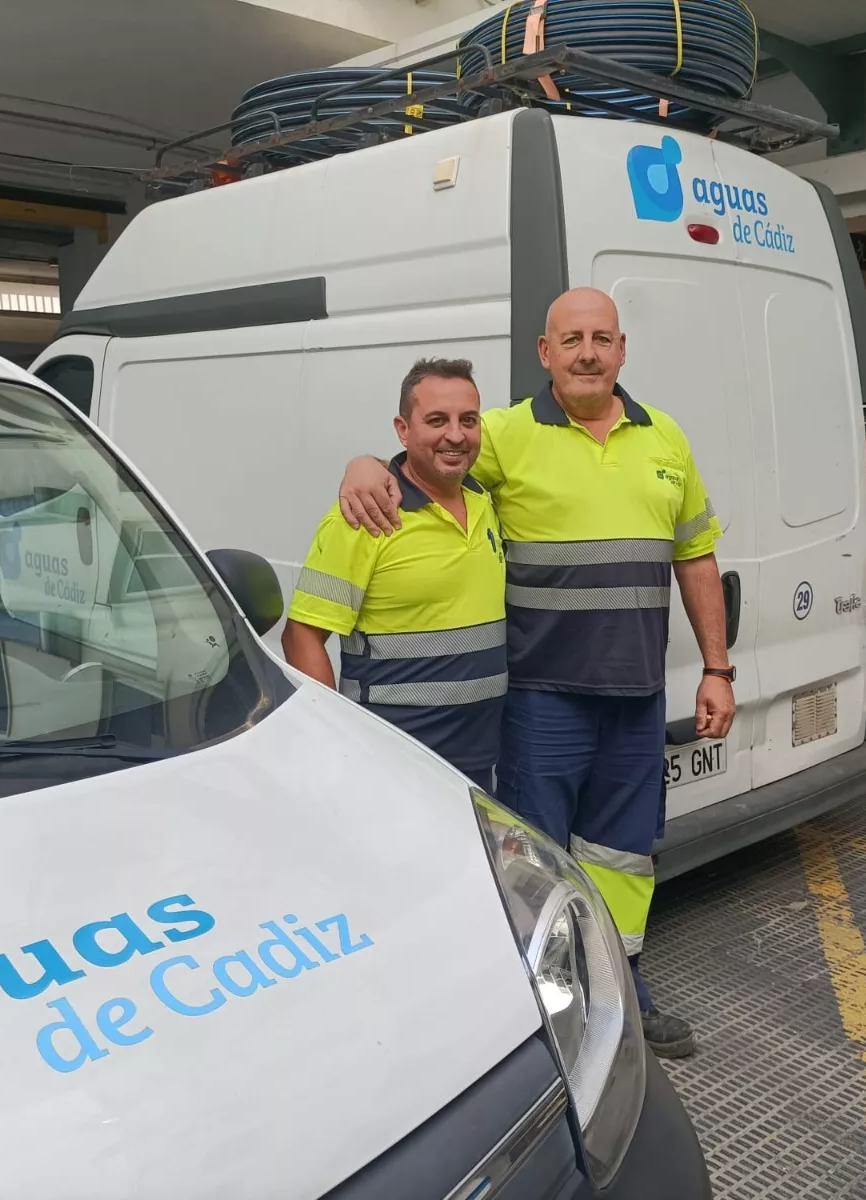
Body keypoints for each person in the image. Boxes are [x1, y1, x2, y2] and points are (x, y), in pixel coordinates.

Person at [337, 288, 735, 1058]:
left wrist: (716, 667)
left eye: (602, 338)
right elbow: (427, 461)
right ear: (545, 353)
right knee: (534, 861)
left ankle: (623, 986)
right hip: (541, 697)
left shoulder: (667, 439)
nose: (588, 352)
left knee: (623, 860)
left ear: (622, 351)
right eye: (571, 339)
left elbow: (696, 554)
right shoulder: (505, 434)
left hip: (635, 697)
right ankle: (543, 1006)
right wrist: (363, 463)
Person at [283, 358, 507, 787]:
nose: (456, 435)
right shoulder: (364, 516)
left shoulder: (484, 501)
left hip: (480, 757)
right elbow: (301, 636)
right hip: (394, 760)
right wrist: (335, 739)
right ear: (403, 430)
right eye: (437, 420)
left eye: (469, 420)